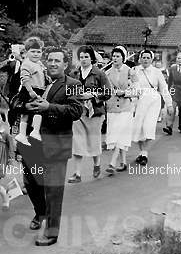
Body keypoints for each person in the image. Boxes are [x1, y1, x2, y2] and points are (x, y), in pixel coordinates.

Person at [17, 48, 84, 246]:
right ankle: (41, 212)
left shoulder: (72, 84)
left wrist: (49, 108)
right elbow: (17, 102)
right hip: (33, 143)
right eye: (50, 60)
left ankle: (52, 233)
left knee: (54, 190)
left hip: (56, 144)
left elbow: (76, 110)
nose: (53, 63)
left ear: (65, 65)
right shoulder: (39, 82)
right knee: (30, 182)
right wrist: (25, 106)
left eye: (58, 61)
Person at [68, 45, 113, 182]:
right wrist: (76, 95)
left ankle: (97, 164)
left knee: (94, 141)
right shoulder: (74, 74)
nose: (83, 59)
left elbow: (107, 93)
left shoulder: (99, 74)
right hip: (78, 112)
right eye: (81, 57)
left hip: (95, 112)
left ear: (91, 58)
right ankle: (77, 174)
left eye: (86, 57)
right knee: (77, 141)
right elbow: (68, 91)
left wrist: (93, 94)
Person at [131, 50, 173, 165]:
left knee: (148, 127)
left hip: (153, 101)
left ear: (151, 59)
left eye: (148, 58)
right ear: (140, 58)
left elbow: (164, 88)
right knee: (138, 128)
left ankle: (144, 153)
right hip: (139, 100)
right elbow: (132, 87)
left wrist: (169, 104)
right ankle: (141, 152)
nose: (145, 59)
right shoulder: (135, 71)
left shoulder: (156, 72)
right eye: (143, 57)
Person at [104, 46, 136, 174]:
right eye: (114, 56)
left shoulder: (130, 72)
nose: (115, 58)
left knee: (119, 133)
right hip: (112, 108)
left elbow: (137, 90)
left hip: (125, 108)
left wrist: (125, 93)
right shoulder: (107, 73)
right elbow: (105, 90)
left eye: (118, 56)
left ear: (123, 57)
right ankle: (123, 162)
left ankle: (112, 162)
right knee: (116, 134)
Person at [14, 37, 47, 146]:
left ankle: (27, 133)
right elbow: (25, 79)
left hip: (38, 89)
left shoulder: (39, 64)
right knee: (33, 111)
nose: (36, 54)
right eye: (33, 51)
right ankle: (30, 132)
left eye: (38, 51)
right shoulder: (27, 64)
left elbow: (42, 75)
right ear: (26, 52)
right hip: (30, 89)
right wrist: (30, 91)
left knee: (32, 112)